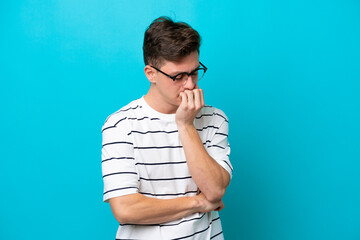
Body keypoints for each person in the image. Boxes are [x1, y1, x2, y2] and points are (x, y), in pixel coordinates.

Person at [101, 16, 233, 239]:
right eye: (178, 76)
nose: (190, 84)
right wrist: (198, 203)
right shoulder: (120, 125)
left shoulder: (214, 119)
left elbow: (215, 190)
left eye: (194, 72)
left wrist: (185, 124)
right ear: (151, 73)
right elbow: (125, 209)